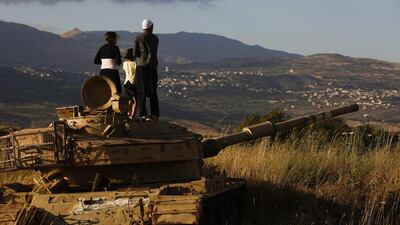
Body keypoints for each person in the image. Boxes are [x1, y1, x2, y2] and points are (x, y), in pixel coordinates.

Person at [132, 19, 160, 121]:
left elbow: (135, 53)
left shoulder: (139, 37)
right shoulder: (155, 38)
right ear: (151, 27)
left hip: (141, 66)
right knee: (153, 91)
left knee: (141, 90)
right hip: (153, 66)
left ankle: (142, 113)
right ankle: (155, 114)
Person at [123, 48, 137, 117]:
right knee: (135, 101)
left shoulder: (125, 63)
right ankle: (133, 115)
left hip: (126, 82)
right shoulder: (134, 63)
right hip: (133, 82)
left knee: (129, 100)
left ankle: (128, 113)